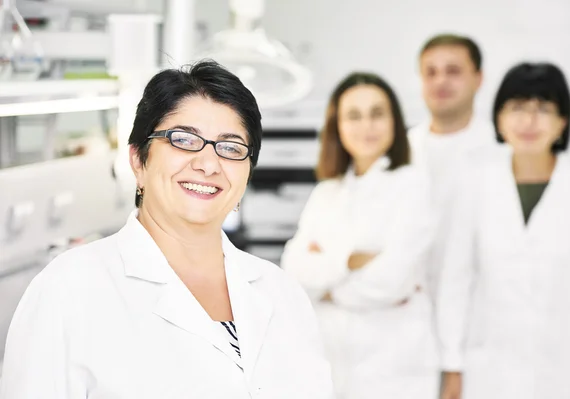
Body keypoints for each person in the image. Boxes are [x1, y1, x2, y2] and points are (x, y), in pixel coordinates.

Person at [0, 60, 335, 399]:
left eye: (231, 147)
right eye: (184, 140)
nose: (207, 164)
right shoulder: (70, 288)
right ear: (137, 160)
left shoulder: (281, 292)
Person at [437, 62, 570, 399]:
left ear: (563, 122)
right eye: (517, 108)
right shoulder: (475, 181)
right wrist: (452, 364)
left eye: (543, 108)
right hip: (489, 368)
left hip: (569, 366)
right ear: (498, 119)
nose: (529, 121)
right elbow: (456, 279)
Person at [280, 72, 440, 399]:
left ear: (394, 121)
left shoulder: (414, 185)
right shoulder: (327, 192)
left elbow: (389, 283)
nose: (367, 126)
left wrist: (326, 285)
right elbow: (293, 271)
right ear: (337, 125)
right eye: (354, 116)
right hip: (331, 362)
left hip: (395, 365)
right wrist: (351, 261)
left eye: (377, 114)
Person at [408, 33, 499, 300]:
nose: (440, 81)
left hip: (478, 304)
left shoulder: (501, 152)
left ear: (478, 79)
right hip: (409, 306)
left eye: (453, 71)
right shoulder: (400, 150)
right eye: (430, 72)